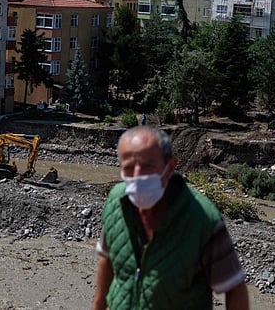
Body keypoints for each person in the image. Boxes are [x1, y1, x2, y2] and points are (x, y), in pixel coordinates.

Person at [92, 126, 249, 310]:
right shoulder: (116, 203)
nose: (137, 177)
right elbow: (107, 259)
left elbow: (234, 287)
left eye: (147, 167)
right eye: (128, 168)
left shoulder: (203, 220)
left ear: (170, 167)